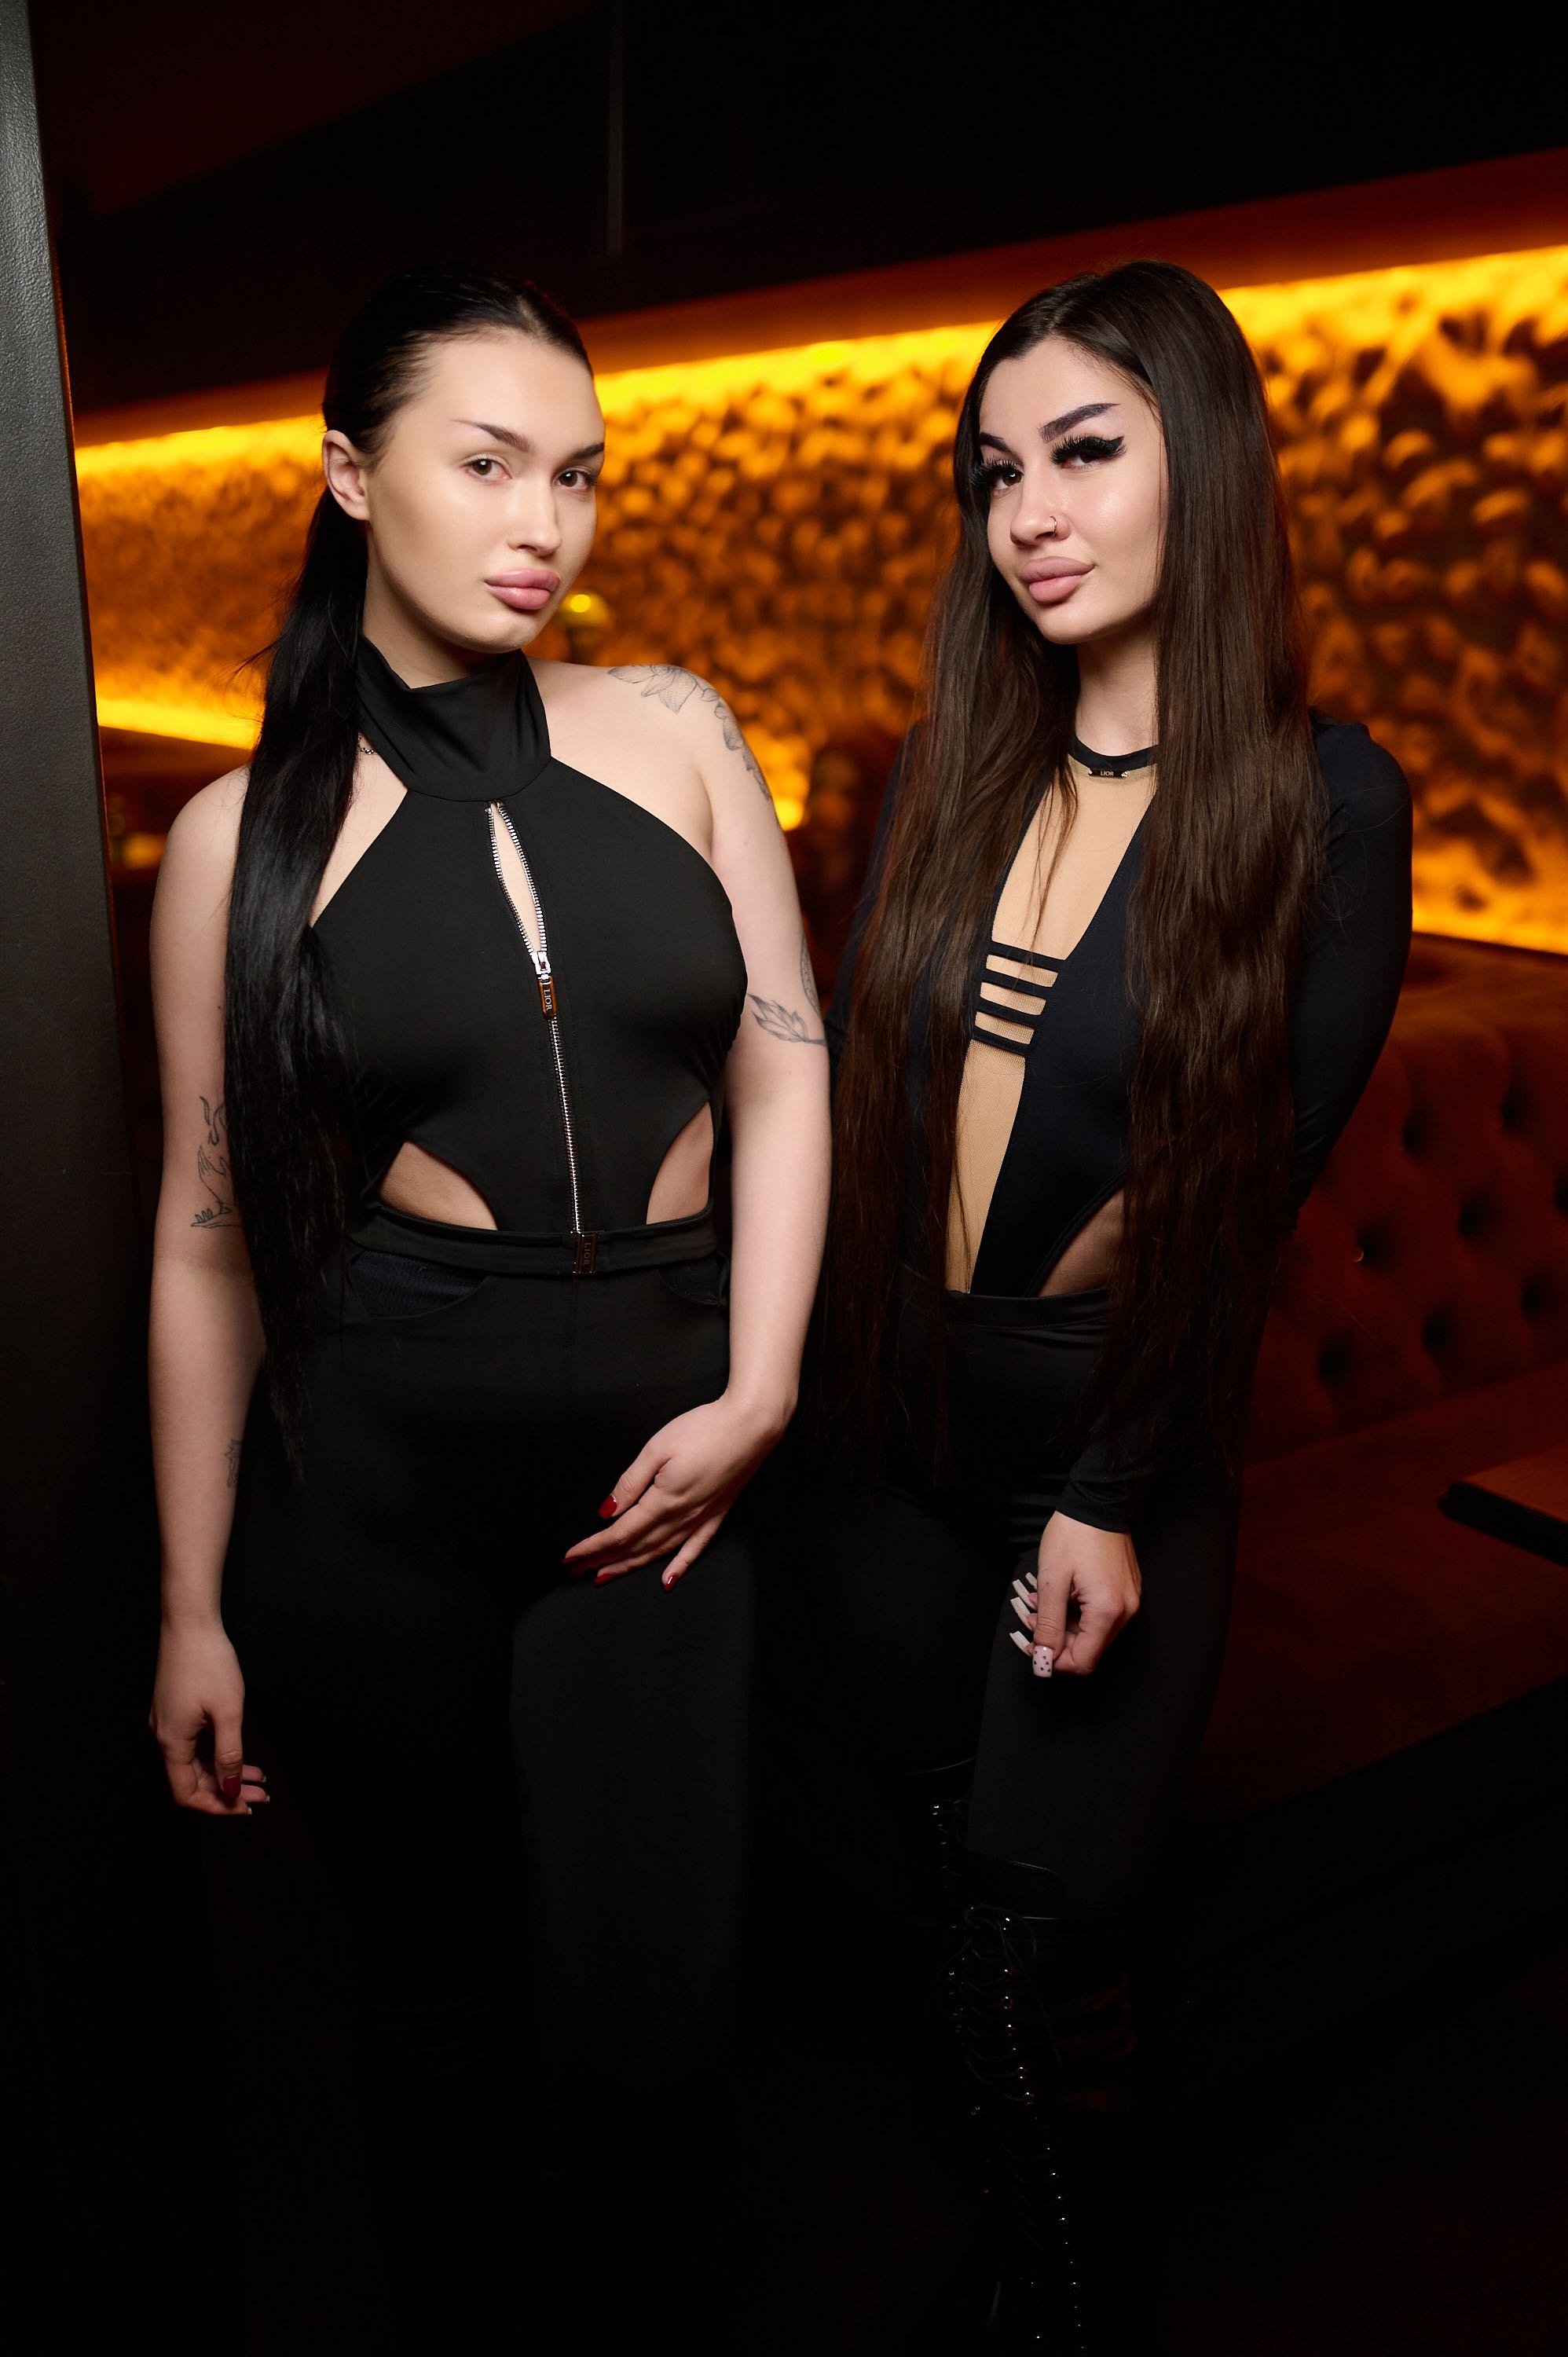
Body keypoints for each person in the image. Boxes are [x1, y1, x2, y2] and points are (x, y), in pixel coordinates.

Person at [145, 266, 830, 2348]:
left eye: (580, 477)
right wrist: (190, 1605)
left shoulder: (679, 728)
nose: (546, 526)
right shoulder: (239, 838)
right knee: (432, 2033)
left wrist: (764, 1390)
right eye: (490, 465)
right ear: (353, 476)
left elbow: (786, 1069)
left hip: (670, 1470)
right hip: (383, 1480)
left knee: (656, 2030)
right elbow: (202, 1238)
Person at [808, 262, 1412, 2349]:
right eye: (994, 474)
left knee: (1024, 1953)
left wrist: (1111, 1487)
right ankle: (1021, 2255)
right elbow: (853, 1118)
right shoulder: (943, 776)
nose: (1029, 514)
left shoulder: (1322, 800)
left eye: (1081, 452)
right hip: (885, 1434)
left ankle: (1055, 2303)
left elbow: (1239, 1201)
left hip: (1102, 1443)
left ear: (1204, 467)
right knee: (937, 1906)